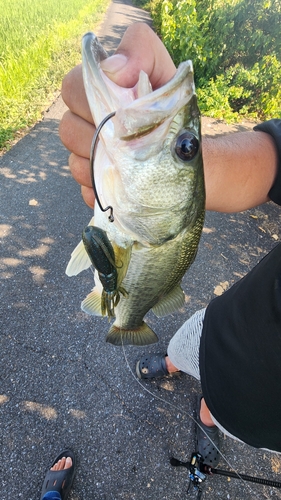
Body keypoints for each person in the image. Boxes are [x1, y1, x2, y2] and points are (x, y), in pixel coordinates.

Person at [59, 22, 281, 466]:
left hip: (266, 427)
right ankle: (179, 371)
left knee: (215, 404)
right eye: (186, 148)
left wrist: (175, 153)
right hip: (224, 330)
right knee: (188, 352)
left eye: (185, 147)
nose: (186, 148)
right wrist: (183, 158)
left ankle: (208, 414)